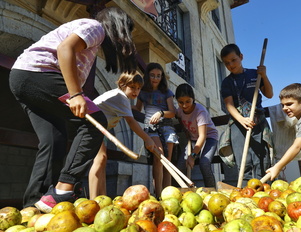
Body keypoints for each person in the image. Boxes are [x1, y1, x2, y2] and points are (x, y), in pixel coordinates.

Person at [9, 7, 138, 212]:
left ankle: (34, 204)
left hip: (23, 78)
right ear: (118, 26)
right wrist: (76, 95)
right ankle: (63, 189)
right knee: (96, 122)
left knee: (54, 140)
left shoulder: (91, 43)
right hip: (38, 73)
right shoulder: (95, 27)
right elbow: (64, 49)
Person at [88, 71, 156, 199]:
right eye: (132, 87)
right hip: (92, 126)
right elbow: (131, 121)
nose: (136, 91)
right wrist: (147, 139)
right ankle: (93, 200)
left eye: (138, 88)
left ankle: (102, 197)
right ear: (122, 85)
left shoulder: (120, 97)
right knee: (100, 159)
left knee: (102, 160)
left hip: (100, 128)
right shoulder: (121, 98)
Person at [220, 44, 273, 187]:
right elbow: (229, 104)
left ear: (241, 57)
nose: (231, 65)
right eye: (227, 63)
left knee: (261, 159)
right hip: (238, 124)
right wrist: (242, 119)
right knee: (244, 161)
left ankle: (263, 191)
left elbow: (269, 94)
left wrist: (264, 76)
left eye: (234, 60)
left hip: (258, 123)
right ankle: (245, 191)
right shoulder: (227, 82)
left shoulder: (254, 75)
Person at [133, 63, 178, 197]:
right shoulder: (142, 92)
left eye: (158, 75)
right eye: (152, 75)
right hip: (151, 128)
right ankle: (158, 194)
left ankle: (168, 195)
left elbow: (172, 112)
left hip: (167, 126)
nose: (155, 78)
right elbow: (137, 108)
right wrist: (123, 105)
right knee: (159, 156)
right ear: (147, 76)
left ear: (162, 77)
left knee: (167, 162)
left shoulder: (167, 92)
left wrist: (161, 113)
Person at [175, 83, 218, 188]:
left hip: (209, 138)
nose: (184, 105)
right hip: (193, 139)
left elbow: (202, 136)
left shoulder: (200, 111)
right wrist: (185, 130)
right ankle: (182, 191)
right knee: (181, 165)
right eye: (181, 102)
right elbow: (178, 117)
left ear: (193, 99)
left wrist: (193, 156)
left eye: (187, 102)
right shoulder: (179, 111)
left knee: (204, 163)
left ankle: (211, 190)